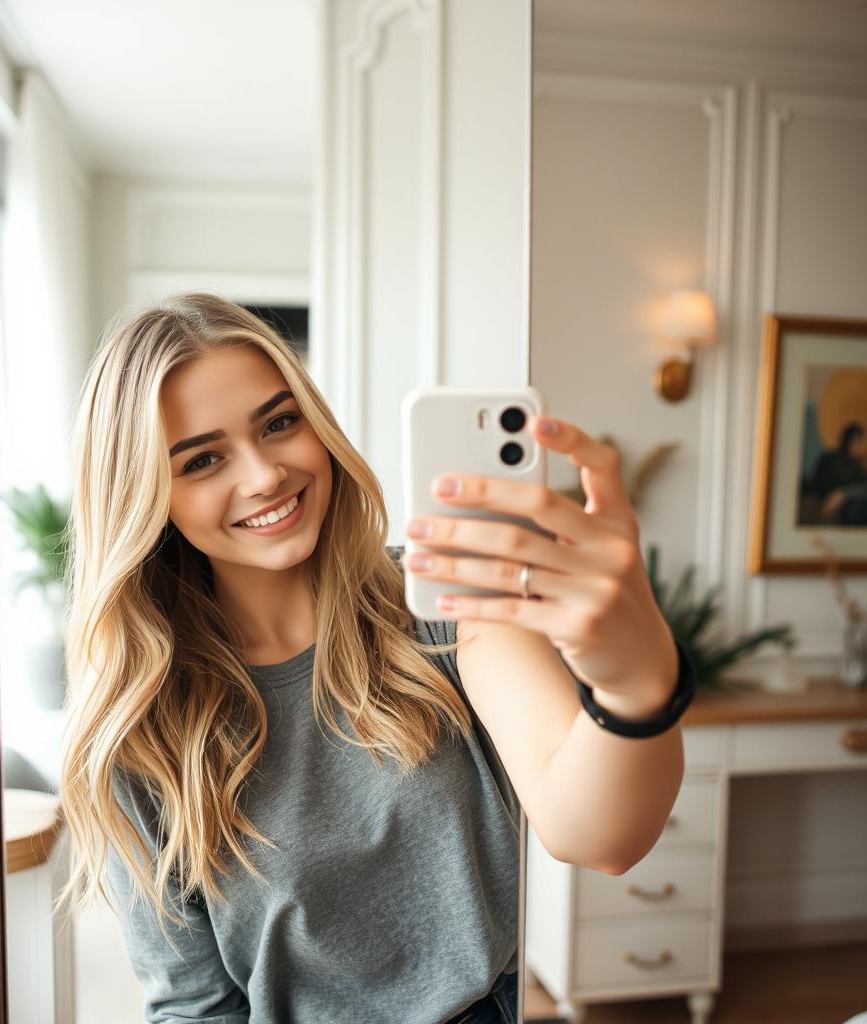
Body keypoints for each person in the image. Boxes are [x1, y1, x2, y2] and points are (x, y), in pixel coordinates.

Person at [55, 293, 689, 1024]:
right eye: (202, 460)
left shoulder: (448, 606)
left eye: (280, 422)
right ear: (145, 496)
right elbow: (195, 1006)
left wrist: (634, 676)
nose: (264, 475)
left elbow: (600, 837)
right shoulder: (140, 724)